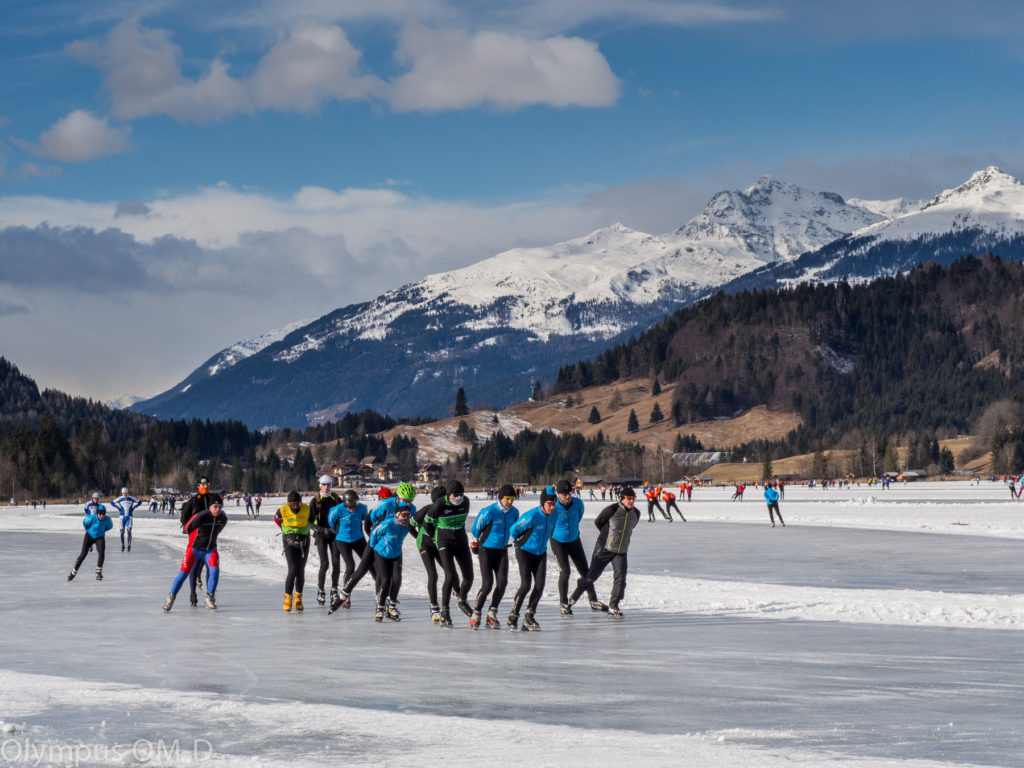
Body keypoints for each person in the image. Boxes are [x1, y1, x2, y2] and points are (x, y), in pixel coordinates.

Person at [332, 482, 418, 614]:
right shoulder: (386, 504)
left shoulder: (412, 509)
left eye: (410, 501)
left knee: (388, 575)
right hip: (375, 542)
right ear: (398, 497)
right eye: (405, 500)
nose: (408, 503)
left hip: (391, 544)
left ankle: (383, 601)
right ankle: (343, 595)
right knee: (361, 570)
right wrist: (371, 536)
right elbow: (369, 520)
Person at [568, 486, 641, 619]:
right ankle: (572, 599)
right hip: (604, 549)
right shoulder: (612, 510)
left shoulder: (636, 513)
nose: (631, 501)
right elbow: (599, 522)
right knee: (591, 577)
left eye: (633, 499)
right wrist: (608, 536)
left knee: (621, 578)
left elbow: (631, 527)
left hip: (621, 551)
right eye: (629, 499)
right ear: (622, 499)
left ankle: (614, 606)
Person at [418, 480, 473, 626]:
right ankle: (445, 610)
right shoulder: (440, 504)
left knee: (469, 577)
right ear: (449, 495)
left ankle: (461, 600)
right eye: (456, 495)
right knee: (450, 576)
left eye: (461, 494)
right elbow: (426, 523)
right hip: (444, 543)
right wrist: (433, 537)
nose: (459, 497)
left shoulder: (466, 502)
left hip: (461, 541)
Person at [550, 479, 605, 616]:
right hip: (558, 541)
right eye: (564, 494)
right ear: (558, 494)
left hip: (574, 540)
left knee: (586, 572)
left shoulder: (578, 503)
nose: (568, 496)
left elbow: (578, 518)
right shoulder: (554, 507)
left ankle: (593, 601)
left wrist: (572, 531)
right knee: (565, 571)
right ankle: (564, 603)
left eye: (569, 493)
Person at [163, 498, 228, 611]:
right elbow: (187, 528)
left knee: (215, 571)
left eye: (220, 507)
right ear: (210, 506)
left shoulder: (223, 518)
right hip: (194, 549)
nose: (217, 509)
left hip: (210, 549)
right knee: (183, 574)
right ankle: (170, 599)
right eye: (215, 507)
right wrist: (196, 537)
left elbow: (218, 530)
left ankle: (210, 598)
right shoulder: (201, 516)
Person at [507, 489, 559, 630]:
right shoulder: (532, 515)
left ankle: (529, 616)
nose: (552, 507)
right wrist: (521, 539)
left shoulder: (554, 515)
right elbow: (513, 530)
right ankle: (513, 615)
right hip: (524, 551)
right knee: (526, 585)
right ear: (543, 503)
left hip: (540, 552)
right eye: (549, 504)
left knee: (540, 585)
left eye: (554, 503)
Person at [469, 483, 519, 628]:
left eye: (512, 499)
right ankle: (476, 612)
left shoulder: (514, 512)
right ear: (501, 498)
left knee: (502, 583)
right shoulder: (489, 512)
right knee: (487, 584)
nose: (509, 502)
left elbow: (516, 529)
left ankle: (492, 613)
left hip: (502, 551)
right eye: (507, 499)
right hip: (486, 551)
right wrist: (478, 543)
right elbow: (475, 529)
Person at [406, 485, 454, 622]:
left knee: (449, 571)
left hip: (439, 545)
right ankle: (434, 607)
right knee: (433, 574)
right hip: (425, 545)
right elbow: (410, 524)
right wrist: (418, 537)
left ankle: (457, 595)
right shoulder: (427, 510)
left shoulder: (448, 511)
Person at [178, 476, 223, 605]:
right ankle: (193, 593)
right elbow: (184, 518)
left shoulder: (211, 499)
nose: (206, 487)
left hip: (209, 536)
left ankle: (210, 595)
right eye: (203, 485)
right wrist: (191, 529)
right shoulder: (193, 500)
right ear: (198, 486)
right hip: (195, 537)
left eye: (208, 484)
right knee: (195, 564)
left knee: (210, 565)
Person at [328, 489, 369, 606]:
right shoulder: (338, 509)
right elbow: (331, 522)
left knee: (369, 562)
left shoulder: (362, 508)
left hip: (358, 538)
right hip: (342, 539)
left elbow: (364, 519)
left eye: (354, 506)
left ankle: (381, 592)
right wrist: (337, 532)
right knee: (350, 566)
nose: (352, 509)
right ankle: (346, 594)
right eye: (349, 507)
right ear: (345, 504)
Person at [275, 491, 311, 611]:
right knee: (293, 569)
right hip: (288, 541)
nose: (295, 507)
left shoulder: (307, 509)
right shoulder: (282, 510)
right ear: (288, 503)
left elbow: (312, 521)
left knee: (300, 570)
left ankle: (298, 598)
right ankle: (288, 598)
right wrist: (286, 531)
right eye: (292, 505)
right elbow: (277, 520)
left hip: (304, 541)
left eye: (297, 504)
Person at [309, 475, 342, 605]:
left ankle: (334, 589)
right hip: (321, 534)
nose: (327, 486)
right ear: (320, 485)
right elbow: (310, 523)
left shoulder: (336, 499)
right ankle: (321, 589)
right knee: (325, 562)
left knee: (336, 561)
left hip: (334, 535)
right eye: (324, 484)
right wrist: (322, 530)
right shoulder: (314, 501)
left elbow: (342, 515)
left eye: (329, 484)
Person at [67, 504, 113, 581]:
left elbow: (109, 527)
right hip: (89, 536)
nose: (102, 515)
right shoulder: (91, 518)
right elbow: (84, 522)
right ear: (97, 513)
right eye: (100, 514)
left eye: (103, 514)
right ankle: (73, 572)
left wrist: (102, 531)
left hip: (99, 537)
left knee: (102, 553)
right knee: (83, 554)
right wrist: (87, 529)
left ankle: (98, 573)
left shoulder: (107, 520)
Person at [110, 487, 141, 552]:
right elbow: (112, 502)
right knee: (122, 532)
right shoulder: (120, 498)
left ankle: (129, 545)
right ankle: (123, 545)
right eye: (124, 494)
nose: (125, 495)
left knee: (129, 531)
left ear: (127, 493)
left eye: (126, 493)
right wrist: (117, 507)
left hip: (129, 517)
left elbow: (140, 502)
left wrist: (134, 507)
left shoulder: (131, 498)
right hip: (122, 518)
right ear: (122, 493)